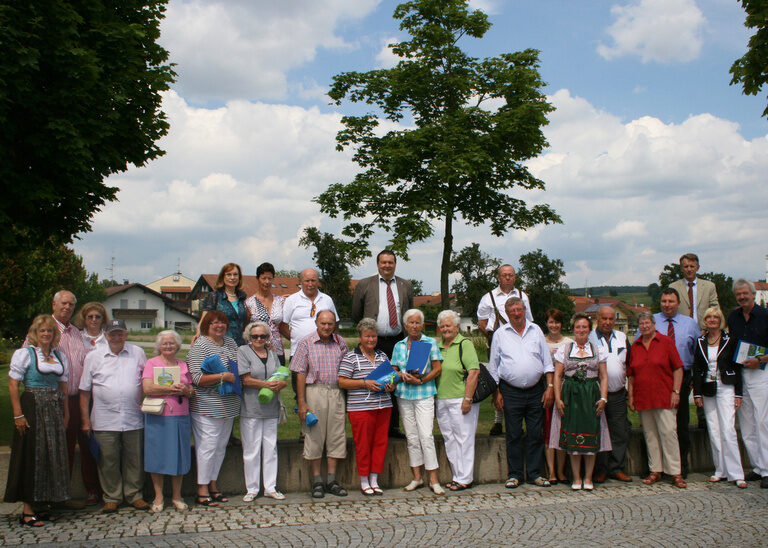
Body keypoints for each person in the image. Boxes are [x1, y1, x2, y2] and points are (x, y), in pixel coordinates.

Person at [5, 315, 70, 526]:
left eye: (49, 331)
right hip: (32, 406)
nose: (46, 334)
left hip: (53, 408)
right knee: (33, 454)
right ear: (35, 333)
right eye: (42, 331)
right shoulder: (25, 354)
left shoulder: (58, 356)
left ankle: (43, 506)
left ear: (54, 335)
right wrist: (18, 414)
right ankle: (27, 510)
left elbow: (63, 387)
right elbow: (13, 384)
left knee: (52, 455)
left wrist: (66, 412)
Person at [34, 290, 98, 507]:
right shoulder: (44, 330)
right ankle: (61, 493)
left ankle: (92, 489)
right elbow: (28, 362)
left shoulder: (77, 333)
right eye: (64, 303)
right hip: (56, 399)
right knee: (62, 447)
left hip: (82, 398)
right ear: (54, 304)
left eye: (71, 304)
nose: (67, 307)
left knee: (88, 443)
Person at [80, 319, 151, 512]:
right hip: (104, 418)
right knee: (108, 460)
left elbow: (148, 379)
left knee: (134, 459)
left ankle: (134, 495)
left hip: (133, 416)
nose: (117, 337)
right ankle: (112, 496)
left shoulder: (138, 353)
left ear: (126, 335)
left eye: (120, 333)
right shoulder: (94, 357)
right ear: (106, 335)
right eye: (113, 334)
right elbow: (85, 391)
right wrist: (85, 420)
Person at [487, 297, 553, 489]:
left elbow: (547, 361)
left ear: (524, 310)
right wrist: (496, 393)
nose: (516, 313)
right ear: (507, 314)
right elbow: (494, 366)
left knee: (535, 433)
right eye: (512, 311)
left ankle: (534, 473)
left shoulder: (536, 330)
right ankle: (514, 474)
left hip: (536, 391)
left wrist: (549, 388)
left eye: (519, 309)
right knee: (513, 434)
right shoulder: (500, 334)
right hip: (510, 391)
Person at [351, 250, 414, 439]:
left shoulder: (406, 285)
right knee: (375, 383)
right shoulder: (364, 284)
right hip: (374, 343)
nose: (387, 265)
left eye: (390, 262)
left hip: (396, 342)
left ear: (395, 264)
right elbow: (356, 313)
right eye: (383, 262)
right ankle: (374, 427)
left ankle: (393, 427)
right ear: (377, 264)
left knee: (394, 384)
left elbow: (409, 313)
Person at [289, 309, 349, 498]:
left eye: (330, 323)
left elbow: (347, 370)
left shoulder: (341, 343)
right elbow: (299, 372)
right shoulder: (306, 342)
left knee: (336, 435)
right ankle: (317, 481)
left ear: (334, 325)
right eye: (323, 323)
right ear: (316, 323)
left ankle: (332, 480)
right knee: (314, 435)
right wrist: (301, 401)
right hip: (314, 391)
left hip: (336, 391)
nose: (326, 327)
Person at [549, 313, 611, 490]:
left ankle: (588, 478)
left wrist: (603, 398)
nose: (581, 330)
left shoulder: (598, 349)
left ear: (589, 330)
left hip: (591, 395)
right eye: (578, 327)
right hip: (571, 396)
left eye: (584, 327)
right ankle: (576, 478)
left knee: (591, 439)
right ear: (573, 329)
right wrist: (558, 399)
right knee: (573, 439)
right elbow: (558, 375)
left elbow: (604, 376)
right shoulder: (565, 349)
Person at [187, 310, 241, 506]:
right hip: (207, 405)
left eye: (222, 322)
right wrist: (222, 377)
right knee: (207, 447)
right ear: (206, 326)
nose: (219, 326)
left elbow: (237, 367)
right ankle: (201, 488)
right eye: (214, 323)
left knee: (219, 448)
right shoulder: (200, 345)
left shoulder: (231, 343)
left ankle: (213, 484)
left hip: (229, 405)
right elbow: (196, 378)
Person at [628, 311, 686, 488]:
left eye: (647, 323)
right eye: (641, 324)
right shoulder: (635, 346)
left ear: (654, 324)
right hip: (644, 397)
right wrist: (630, 396)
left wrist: (676, 391)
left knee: (669, 433)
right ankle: (656, 470)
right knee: (650, 435)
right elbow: (631, 375)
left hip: (664, 396)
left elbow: (678, 368)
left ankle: (675, 472)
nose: (644, 326)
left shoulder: (666, 342)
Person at [337, 318, 395, 495]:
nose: (371, 340)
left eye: (374, 336)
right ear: (360, 337)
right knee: (363, 444)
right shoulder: (350, 357)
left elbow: (390, 378)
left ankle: (374, 479)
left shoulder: (382, 355)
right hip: (360, 408)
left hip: (383, 406)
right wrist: (364, 383)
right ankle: (364, 480)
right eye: (367, 336)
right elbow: (342, 381)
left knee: (380, 443)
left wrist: (391, 385)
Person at [647, 287, 699, 478]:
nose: (667, 305)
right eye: (664, 301)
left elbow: (696, 351)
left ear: (678, 303)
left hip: (682, 377)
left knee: (681, 423)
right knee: (657, 423)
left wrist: (693, 378)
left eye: (670, 301)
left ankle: (680, 467)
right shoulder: (651, 321)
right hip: (657, 378)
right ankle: (656, 466)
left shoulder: (690, 323)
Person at [391, 309, 444, 494]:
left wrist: (421, 380)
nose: (414, 326)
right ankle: (416, 478)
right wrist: (401, 375)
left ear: (422, 325)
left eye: (417, 323)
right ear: (405, 326)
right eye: (411, 323)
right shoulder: (399, 345)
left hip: (424, 393)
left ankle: (434, 479)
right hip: (404, 395)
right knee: (412, 437)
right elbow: (394, 369)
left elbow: (437, 369)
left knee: (426, 436)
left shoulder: (430, 342)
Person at [692, 307, 745, 488]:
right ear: (705, 320)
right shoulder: (700, 341)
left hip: (726, 386)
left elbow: (737, 367)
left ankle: (736, 473)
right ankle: (720, 470)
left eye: (715, 317)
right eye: (709, 317)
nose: (712, 320)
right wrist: (697, 393)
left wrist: (738, 393)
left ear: (720, 320)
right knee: (714, 430)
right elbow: (697, 369)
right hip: (708, 388)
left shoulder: (730, 340)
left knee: (728, 429)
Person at [142, 330, 195, 512]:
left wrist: (185, 390)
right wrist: (169, 388)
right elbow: (147, 387)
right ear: (159, 346)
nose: (168, 346)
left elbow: (191, 390)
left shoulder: (183, 365)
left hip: (180, 415)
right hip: (158, 416)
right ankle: (158, 496)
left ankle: (177, 496)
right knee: (157, 455)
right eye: (164, 343)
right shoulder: (151, 363)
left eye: (172, 343)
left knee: (179, 455)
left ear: (178, 346)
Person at [477, 265, 532, 436]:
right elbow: (481, 323)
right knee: (497, 381)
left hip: (520, 344)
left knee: (516, 380)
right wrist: (497, 338)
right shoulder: (488, 298)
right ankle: (498, 421)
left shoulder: (523, 296)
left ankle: (515, 423)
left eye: (510, 275)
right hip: (497, 344)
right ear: (498, 278)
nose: (507, 278)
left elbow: (529, 321)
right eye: (504, 275)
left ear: (515, 277)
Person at [237, 321, 286, 501]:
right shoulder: (243, 351)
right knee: (251, 449)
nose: (259, 339)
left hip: (271, 407)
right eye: (255, 336)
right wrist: (266, 384)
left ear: (267, 337)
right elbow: (245, 379)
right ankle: (252, 488)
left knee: (271, 448)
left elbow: (280, 374)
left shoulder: (272, 352)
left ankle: (270, 487)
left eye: (263, 336)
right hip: (251, 408)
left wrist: (280, 383)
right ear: (249, 338)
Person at [727, 279, 768, 488]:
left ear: (753, 294)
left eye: (745, 294)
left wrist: (760, 360)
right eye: (739, 295)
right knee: (747, 423)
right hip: (741, 373)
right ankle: (758, 467)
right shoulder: (733, 317)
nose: (742, 297)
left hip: (761, 372)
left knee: (763, 421)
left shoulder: (765, 315)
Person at [436, 310, 479, 491]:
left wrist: (467, 398)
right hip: (442, 399)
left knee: (464, 438)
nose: (445, 329)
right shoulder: (437, 346)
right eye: (443, 326)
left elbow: (474, 372)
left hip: (460, 398)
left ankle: (465, 478)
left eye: (449, 325)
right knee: (449, 439)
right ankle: (457, 475)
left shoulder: (464, 344)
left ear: (456, 327)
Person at [589, 306, 633, 483]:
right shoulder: (589, 338)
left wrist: (631, 392)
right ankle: (600, 470)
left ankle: (616, 468)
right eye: (604, 319)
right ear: (597, 319)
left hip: (617, 393)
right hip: (596, 395)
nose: (607, 322)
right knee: (598, 432)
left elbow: (629, 365)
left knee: (619, 432)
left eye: (611, 319)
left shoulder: (622, 337)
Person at [543, 308, 572, 485]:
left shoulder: (569, 343)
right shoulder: (542, 342)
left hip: (565, 390)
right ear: (546, 324)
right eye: (551, 322)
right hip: (547, 389)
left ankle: (561, 471)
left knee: (562, 430)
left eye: (557, 322)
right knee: (548, 431)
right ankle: (551, 470)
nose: (554, 325)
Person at [244, 262, 289, 365]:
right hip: (256, 351)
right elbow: (246, 328)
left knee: (278, 380)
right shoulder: (249, 303)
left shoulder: (280, 301)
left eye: (270, 278)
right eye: (264, 278)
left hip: (277, 351)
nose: (267, 282)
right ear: (258, 278)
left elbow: (283, 328)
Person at [196, 263, 248, 346]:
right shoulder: (214, 296)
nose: (232, 278)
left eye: (235, 274)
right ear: (222, 277)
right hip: (220, 344)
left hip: (241, 345)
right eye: (228, 274)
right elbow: (203, 321)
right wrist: (198, 334)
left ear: (239, 277)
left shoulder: (243, 298)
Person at [670, 253, 720, 329]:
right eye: (686, 266)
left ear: (697, 267)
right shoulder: (673, 287)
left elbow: (715, 310)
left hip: (704, 331)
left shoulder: (709, 286)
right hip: (681, 330)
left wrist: (707, 329)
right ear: (681, 268)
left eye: (692, 266)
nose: (689, 269)